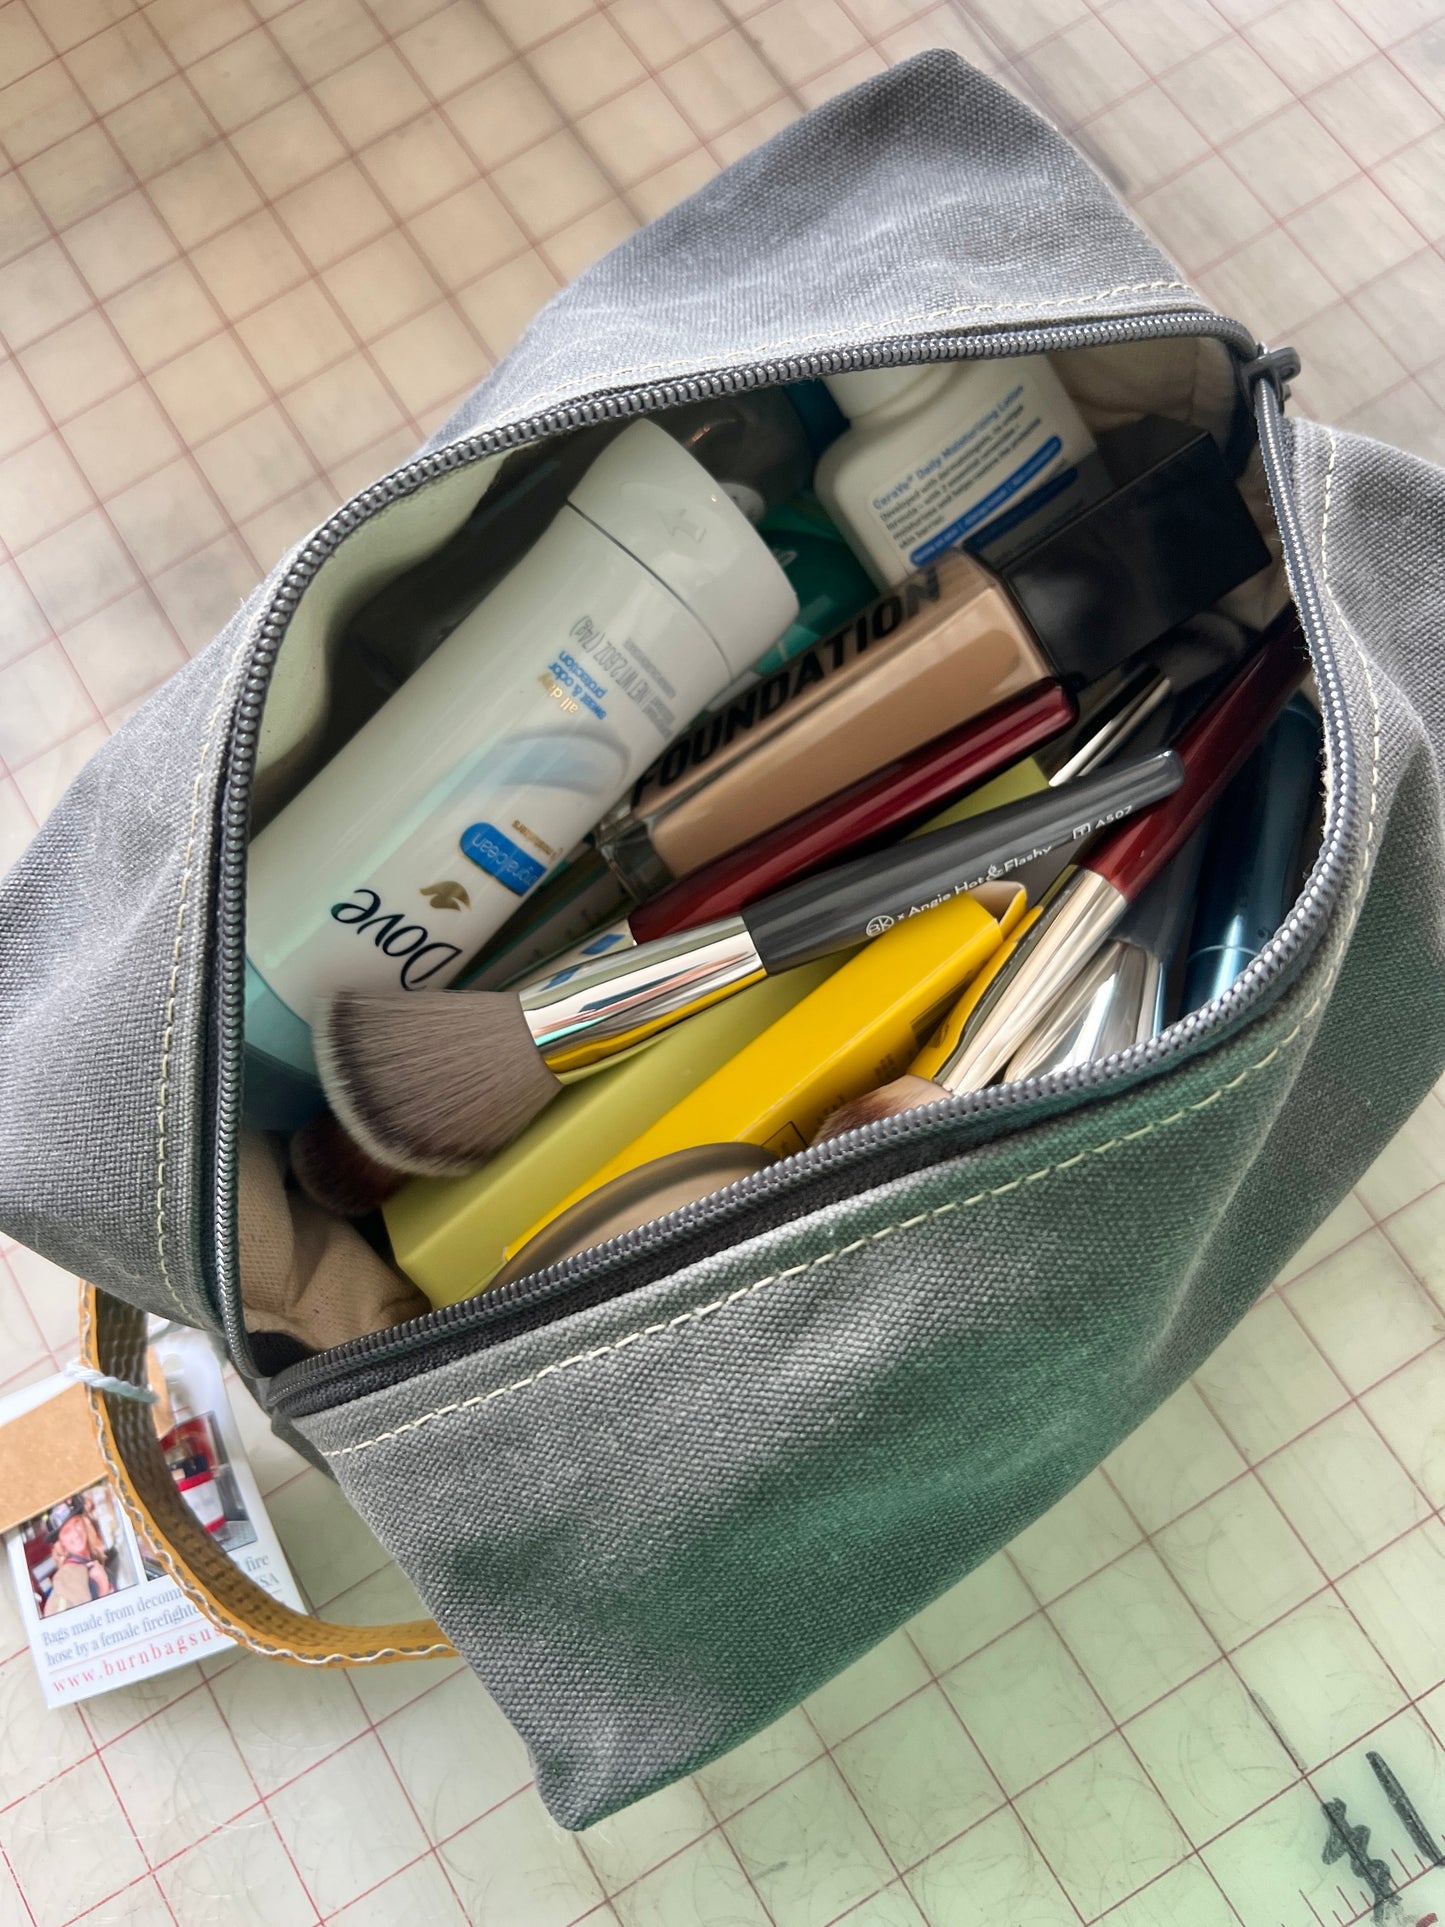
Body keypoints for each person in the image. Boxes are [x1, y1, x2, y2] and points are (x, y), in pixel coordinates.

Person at [42, 1501, 112, 1615]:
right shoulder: (68, 1577)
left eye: (76, 1523)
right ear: (61, 1543)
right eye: (67, 1531)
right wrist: (103, 1588)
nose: (75, 1533)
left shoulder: (94, 1559)